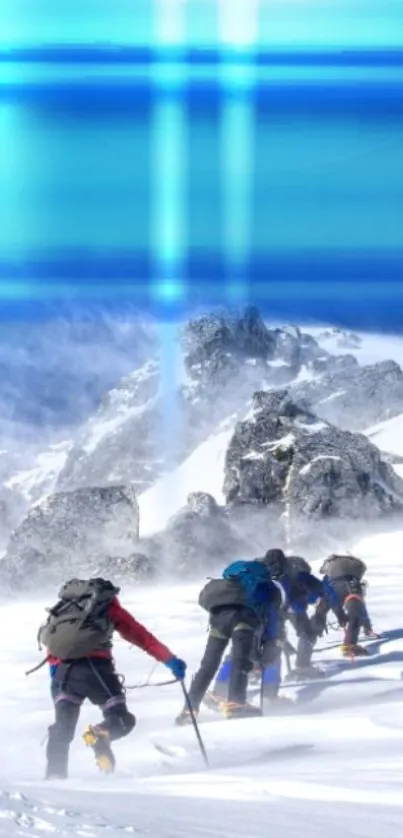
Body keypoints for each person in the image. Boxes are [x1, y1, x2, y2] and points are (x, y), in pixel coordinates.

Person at [40, 577, 186, 780]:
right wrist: (170, 660)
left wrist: (56, 680)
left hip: (63, 675)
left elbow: (54, 646)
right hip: (97, 671)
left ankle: (55, 779)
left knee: (62, 730)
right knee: (121, 718)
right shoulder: (108, 607)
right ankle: (102, 733)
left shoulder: (63, 609)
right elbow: (141, 636)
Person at [175, 558, 285, 724]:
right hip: (243, 619)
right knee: (241, 661)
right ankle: (236, 703)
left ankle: (189, 709)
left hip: (219, 617)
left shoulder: (235, 579)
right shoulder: (269, 589)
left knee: (208, 664)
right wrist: (272, 647)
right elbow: (273, 623)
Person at [314, 554, 379, 657]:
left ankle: (308, 639)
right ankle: (350, 644)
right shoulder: (353, 575)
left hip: (333, 588)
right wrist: (367, 626)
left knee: (321, 609)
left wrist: (339, 615)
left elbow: (328, 599)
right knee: (356, 610)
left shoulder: (329, 575)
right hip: (351, 585)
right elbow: (360, 610)